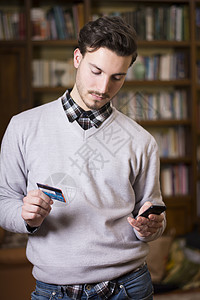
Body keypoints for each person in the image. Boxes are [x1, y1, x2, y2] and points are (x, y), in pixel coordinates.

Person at [0, 16, 166, 300]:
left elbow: (152, 213)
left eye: (117, 77)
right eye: (96, 71)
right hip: (53, 291)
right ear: (77, 58)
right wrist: (26, 216)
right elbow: (4, 201)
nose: (103, 87)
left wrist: (151, 227)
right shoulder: (23, 126)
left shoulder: (142, 141)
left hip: (129, 287)